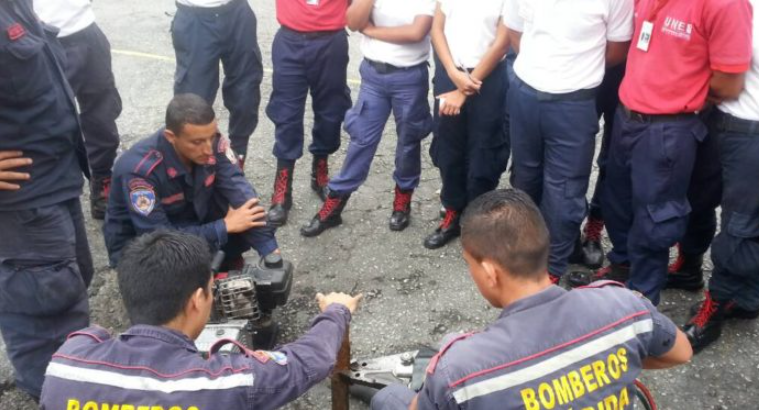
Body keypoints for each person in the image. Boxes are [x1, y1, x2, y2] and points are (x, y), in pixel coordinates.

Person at [370, 189, 692, 409]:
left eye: (469, 264)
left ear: (489, 271)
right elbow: (680, 352)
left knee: (387, 399)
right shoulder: (623, 306)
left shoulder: (460, 367)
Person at [40, 230, 363, 409]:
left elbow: (91, 336)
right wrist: (336, 310)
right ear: (197, 301)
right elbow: (308, 361)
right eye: (211, 290)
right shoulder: (226, 383)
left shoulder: (66, 364)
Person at [597, 0, 752, 304]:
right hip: (628, 116)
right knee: (618, 199)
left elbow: (729, 84)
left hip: (669, 126)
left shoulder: (726, 5)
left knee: (655, 217)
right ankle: (623, 267)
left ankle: (641, 302)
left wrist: (679, 95)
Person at [0, 0, 92, 399]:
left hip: (57, 180)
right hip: (23, 202)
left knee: (73, 286)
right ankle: (53, 394)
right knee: (44, 309)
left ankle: (75, 381)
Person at [505, 0, 633, 283]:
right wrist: (542, 67)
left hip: (573, 102)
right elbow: (514, 29)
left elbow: (617, 48)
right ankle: (529, 253)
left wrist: (571, 67)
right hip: (525, 94)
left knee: (563, 192)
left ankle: (552, 269)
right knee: (525, 180)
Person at [300, 0, 435, 237]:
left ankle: (402, 199)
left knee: (408, 143)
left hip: (409, 77)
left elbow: (417, 32)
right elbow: (353, 22)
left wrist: (372, 30)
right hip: (373, 74)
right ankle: (335, 205)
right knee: (360, 140)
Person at [103, 94, 279, 267]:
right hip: (149, 245)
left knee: (244, 210)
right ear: (171, 137)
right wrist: (223, 227)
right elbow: (159, 241)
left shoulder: (210, 141)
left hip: (190, 221)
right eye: (197, 142)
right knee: (176, 270)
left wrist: (271, 253)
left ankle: (223, 265)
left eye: (211, 137)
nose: (208, 149)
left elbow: (241, 194)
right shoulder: (139, 172)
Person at [683, 2, 759, 352]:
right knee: (696, 199)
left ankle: (719, 305)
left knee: (740, 226)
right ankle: (689, 266)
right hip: (718, 117)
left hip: (752, 130)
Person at [423, 0, 510, 249]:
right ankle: (452, 211)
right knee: (448, 145)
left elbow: (502, 41)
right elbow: (437, 29)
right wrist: (451, 71)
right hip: (449, 74)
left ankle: (477, 220)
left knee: (486, 148)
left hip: (489, 78)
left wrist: (467, 85)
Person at [265, 0, 352, 227]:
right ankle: (283, 185)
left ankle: (320, 170)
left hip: (331, 40)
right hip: (290, 38)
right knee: (286, 113)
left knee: (331, 112)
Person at [33, 0, 123, 220]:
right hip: (41, 37)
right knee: (48, 120)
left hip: (86, 29)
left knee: (102, 115)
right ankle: (50, 192)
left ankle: (102, 180)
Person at [170, 0, 263, 164]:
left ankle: (237, 157)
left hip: (237, 12)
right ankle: (194, 168)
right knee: (191, 105)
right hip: (194, 16)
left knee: (245, 95)